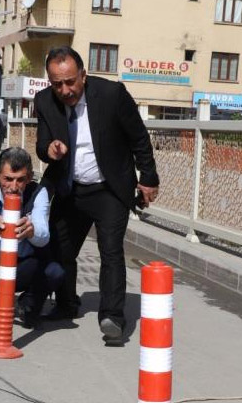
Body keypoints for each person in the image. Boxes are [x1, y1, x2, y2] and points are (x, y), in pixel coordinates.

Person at [33, 46, 159, 346]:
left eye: (71, 82)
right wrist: (48, 150)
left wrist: (149, 179)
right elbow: (41, 144)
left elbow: (139, 138)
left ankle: (113, 317)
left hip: (109, 188)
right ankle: (66, 304)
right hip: (71, 187)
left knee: (111, 251)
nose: (65, 90)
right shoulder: (44, 101)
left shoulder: (112, 95)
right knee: (61, 250)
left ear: (83, 76)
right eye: (57, 84)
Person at [0, 147, 64, 330]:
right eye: (8, 179)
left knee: (55, 271)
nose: (14, 187)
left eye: (20, 180)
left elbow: (43, 237)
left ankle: (29, 306)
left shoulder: (38, 193)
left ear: (29, 177)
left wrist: (31, 231)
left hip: (22, 266)